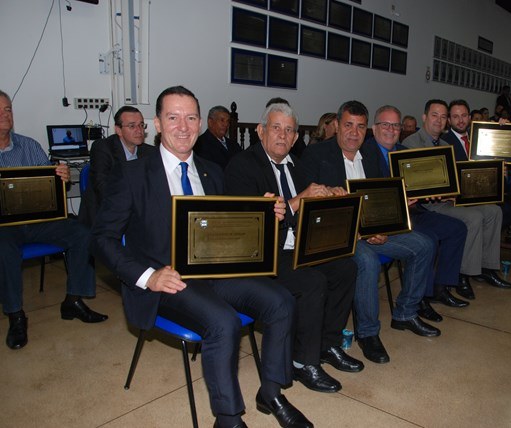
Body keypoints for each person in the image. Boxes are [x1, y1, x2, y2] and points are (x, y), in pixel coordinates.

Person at [90, 86, 312, 428]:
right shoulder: (132, 175)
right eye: (173, 117)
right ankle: (228, 418)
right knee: (223, 322)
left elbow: (232, 232)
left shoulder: (213, 172)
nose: (183, 126)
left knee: (281, 301)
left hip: (215, 272)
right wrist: (148, 276)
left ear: (199, 122)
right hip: (167, 281)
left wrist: (267, 214)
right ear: (157, 124)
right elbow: (102, 239)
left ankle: (271, 393)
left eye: (191, 117)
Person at [224, 102, 361, 394]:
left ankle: (328, 345)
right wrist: (299, 200)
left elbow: (309, 209)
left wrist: (330, 198)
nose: (282, 135)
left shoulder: (297, 165)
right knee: (312, 281)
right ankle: (303, 361)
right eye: (276, 128)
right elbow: (247, 226)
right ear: (261, 131)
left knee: (346, 268)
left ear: (296, 137)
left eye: (289, 131)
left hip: (297, 246)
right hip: (264, 254)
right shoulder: (241, 166)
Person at [301, 100, 439, 365]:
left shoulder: (372, 154)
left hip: (372, 230)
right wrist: (359, 232)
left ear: (367, 130)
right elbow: (311, 209)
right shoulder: (316, 155)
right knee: (366, 260)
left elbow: (381, 200)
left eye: (360, 127)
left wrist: (385, 226)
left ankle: (405, 313)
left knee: (424, 244)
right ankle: (367, 333)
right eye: (348, 125)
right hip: (342, 236)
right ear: (337, 125)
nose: (354, 133)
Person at [0, 89, 107, 350]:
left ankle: (73, 300)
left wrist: (61, 177)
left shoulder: (29, 146)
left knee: (82, 233)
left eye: (8, 110)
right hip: (4, 227)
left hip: (39, 221)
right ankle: (15, 315)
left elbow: (51, 184)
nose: (5, 115)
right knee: (3, 247)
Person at [363, 105, 469, 309]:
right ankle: (422, 299)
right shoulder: (364, 155)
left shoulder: (405, 152)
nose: (391, 130)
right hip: (389, 220)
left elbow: (419, 186)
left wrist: (430, 191)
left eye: (396, 125)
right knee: (428, 239)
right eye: (385, 124)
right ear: (374, 128)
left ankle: (440, 288)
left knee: (457, 228)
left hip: (414, 211)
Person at [403, 99, 511, 292]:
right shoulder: (411, 143)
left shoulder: (445, 144)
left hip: (449, 199)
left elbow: (452, 178)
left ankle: (486, 267)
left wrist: (501, 129)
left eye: (443, 116)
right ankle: (463, 274)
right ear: (424, 117)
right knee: (474, 217)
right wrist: (448, 192)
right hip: (426, 205)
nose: (439, 120)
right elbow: (416, 183)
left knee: (494, 211)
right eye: (435, 115)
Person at [79, 106, 156, 226]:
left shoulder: (150, 152)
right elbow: (103, 188)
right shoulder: (102, 148)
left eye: (141, 125)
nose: (139, 130)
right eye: (132, 126)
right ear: (118, 130)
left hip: (138, 213)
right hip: (104, 214)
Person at [193, 105, 241, 170]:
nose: (226, 124)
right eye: (222, 120)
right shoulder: (200, 144)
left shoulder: (234, 145)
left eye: (228, 121)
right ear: (210, 122)